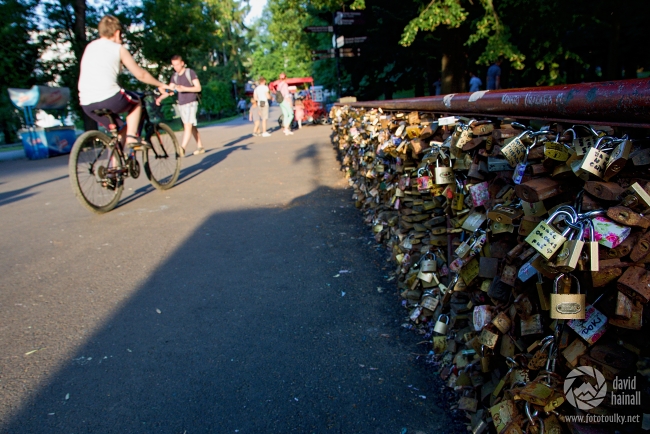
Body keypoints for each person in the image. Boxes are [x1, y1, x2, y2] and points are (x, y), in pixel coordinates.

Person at [78, 15, 173, 150]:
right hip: (109, 98)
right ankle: (132, 137)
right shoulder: (118, 48)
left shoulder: (90, 47)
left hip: (87, 103)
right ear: (117, 33)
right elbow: (141, 75)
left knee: (120, 130)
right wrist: (161, 85)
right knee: (137, 102)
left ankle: (114, 162)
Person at [155, 54, 204, 156]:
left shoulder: (190, 73)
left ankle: (182, 148)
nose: (176, 67)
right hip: (181, 104)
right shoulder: (175, 76)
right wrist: (161, 96)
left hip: (191, 102)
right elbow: (170, 89)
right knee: (191, 125)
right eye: (174, 65)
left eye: (177, 64)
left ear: (182, 63)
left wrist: (184, 88)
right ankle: (200, 146)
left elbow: (198, 88)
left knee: (187, 125)